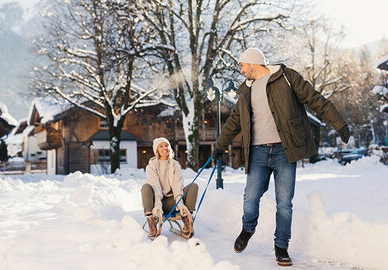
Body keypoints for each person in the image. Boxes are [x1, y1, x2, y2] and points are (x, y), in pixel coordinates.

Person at [213, 48, 350, 266]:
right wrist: (219, 146)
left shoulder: (286, 77)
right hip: (257, 151)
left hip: (285, 150)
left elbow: (315, 99)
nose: (240, 70)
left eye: (242, 65)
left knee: (284, 203)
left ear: (253, 62)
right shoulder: (246, 91)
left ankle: (281, 246)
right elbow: (233, 122)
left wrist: (339, 123)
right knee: (250, 197)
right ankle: (248, 229)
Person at [141, 137, 199, 239]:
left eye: (166, 145)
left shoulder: (175, 164)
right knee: (146, 187)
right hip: (157, 203)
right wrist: (157, 206)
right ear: (157, 150)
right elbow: (155, 186)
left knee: (193, 186)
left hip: (173, 203)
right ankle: (151, 222)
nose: (165, 148)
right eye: (161, 146)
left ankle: (187, 219)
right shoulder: (151, 166)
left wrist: (180, 204)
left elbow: (177, 185)